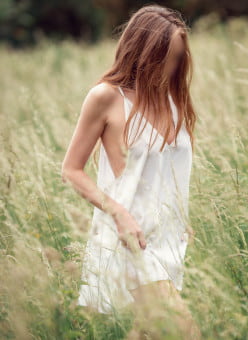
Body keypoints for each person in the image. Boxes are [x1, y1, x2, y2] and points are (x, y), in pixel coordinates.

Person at [61, 4, 201, 339]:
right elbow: (71, 169)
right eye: (165, 57)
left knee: (148, 333)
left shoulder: (172, 97)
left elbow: (169, 169)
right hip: (131, 238)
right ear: (142, 52)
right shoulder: (106, 98)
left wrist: (181, 216)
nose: (171, 67)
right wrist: (119, 213)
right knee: (185, 332)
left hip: (168, 237)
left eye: (178, 58)